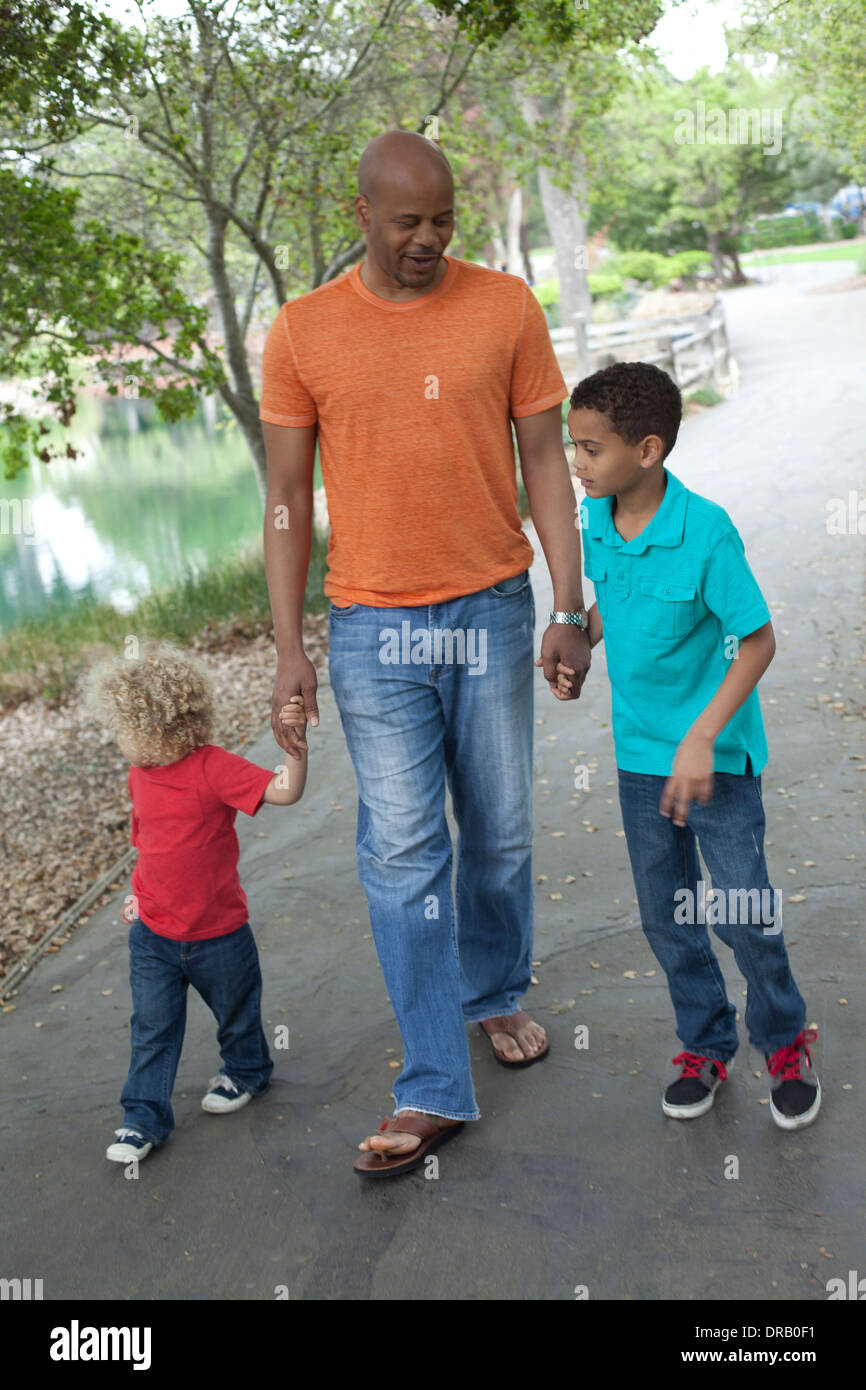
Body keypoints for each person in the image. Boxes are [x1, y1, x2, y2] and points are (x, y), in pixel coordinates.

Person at [259, 130, 591, 1176]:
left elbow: (544, 458)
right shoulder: (303, 332)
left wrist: (567, 604)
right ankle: (431, 1083)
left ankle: (493, 991)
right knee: (404, 855)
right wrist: (287, 648)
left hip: (491, 608)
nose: (427, 239)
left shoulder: (503, 307)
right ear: (360, 214)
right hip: (370, 626)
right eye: (406, 221)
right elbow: (282, 503)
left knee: (495, 835)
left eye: (441, 219)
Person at [555, 361, 820, 1130]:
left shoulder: (705, 532)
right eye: (573, 446)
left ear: (647, 450)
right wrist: (582, 639)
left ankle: (784, 1041)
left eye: (590, 449)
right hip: (641, 758)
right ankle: (705, 1042)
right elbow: (616, 594)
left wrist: (702, 736)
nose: (576, 462)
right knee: (667, 915)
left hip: (717, 763)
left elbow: (758, 641)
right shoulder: (597, 517)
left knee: (741, 912)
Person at [83, 642, 308, 1163]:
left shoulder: (211, 768)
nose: (117, 739)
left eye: (123, 728)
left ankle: (248, 1072)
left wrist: (295, 748)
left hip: (219, 937)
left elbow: (284, 792)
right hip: (154, 937)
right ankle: (142, 1120)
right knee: (152, 1029)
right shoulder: (139, 775)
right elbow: (151, 845)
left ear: (156, 727)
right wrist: (137, 896)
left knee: (237, 1015)